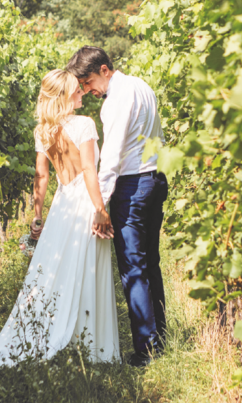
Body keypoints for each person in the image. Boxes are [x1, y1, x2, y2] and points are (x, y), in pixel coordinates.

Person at [0, 69, 120, 366]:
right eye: (76, 90)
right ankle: (90, 346)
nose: (82, 93)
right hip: (83, 200)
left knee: (57, 271)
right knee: (87, 268)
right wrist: (100, 209)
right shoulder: (84, 125)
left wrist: (38, 216)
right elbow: (90, 171)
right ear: (64, 95)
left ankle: (57, 334)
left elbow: (41, 175)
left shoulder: (43, 130)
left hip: (62, 203)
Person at [67, 46, 168, 368]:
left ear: (105, 69)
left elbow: (111, 157)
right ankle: (159, 338)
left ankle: (147, 350)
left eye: (89, 81)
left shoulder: (116, 102)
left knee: (133, 268)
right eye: (83, 85)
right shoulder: (143, 86)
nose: (88, 89)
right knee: (151, 263)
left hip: (133, 185)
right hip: (155, 179)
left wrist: (102, 204)